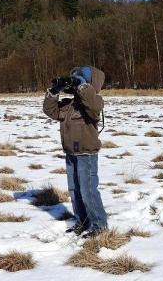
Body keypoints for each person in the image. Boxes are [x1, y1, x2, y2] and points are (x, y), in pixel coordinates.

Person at [43, 65, 108, 238]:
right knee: (75, 191)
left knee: (88, 191)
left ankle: (99, 225)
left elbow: (94, 106)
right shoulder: (68, 105)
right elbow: (50, 110)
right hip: (71, 153)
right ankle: (83, 221)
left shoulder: (94, 103)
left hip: (87, 153)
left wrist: (83, 87)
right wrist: (54, 91)